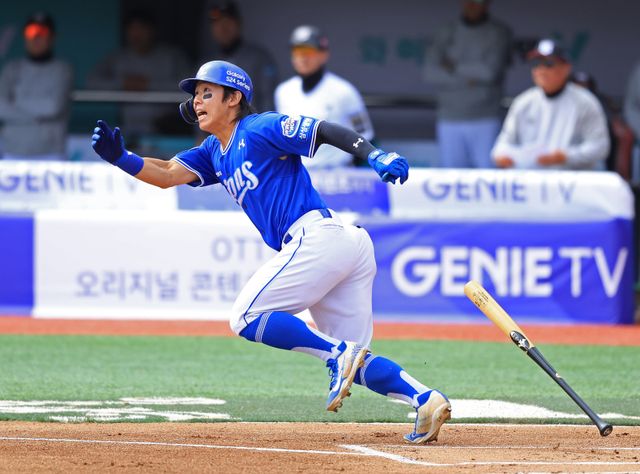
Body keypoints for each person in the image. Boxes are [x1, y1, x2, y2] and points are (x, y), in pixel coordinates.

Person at [91, 60, 451, 444]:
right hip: (339, 245)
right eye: (195, 95)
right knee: (356, 361)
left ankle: (337, 354)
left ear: (234, 98)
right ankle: (425, 399)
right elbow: (165, 173)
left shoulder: (259, 127)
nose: (197, 101)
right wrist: (121, 158)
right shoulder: (213, 150)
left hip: (318, 237)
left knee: (247, 316)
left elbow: (323, 129)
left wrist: (374, 154)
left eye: (207, 93)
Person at [492, 39, 610, 169]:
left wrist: (566, 156)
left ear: (566, 68)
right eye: (536, 64)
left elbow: (600, 147)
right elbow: (502, 146)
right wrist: (502, 156)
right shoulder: (523, 102)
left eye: (548, 64)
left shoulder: (585, 102)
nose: (541, 70)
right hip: (532, 176)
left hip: (572, 177)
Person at [424, 0, 512, 168]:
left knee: (488, 175)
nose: (472, 5)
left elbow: (489, 72)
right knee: (451, 176)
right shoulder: (446, 31)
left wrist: (453, 67)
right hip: (449, 116)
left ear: (487, 4)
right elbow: (431, 73)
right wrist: (471, 77)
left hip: (485, 117)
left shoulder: (498, 32)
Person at [275, 25, 375, 169]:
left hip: (338, 173)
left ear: (323, 55)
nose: (302, 57)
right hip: (298, 173)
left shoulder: (344, 91)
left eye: (308, 51)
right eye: (297, 51)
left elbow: (365, 136)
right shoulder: (283, 91)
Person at [87, 10, 191, 137]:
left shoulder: (172, 57)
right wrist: (123, 83)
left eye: (142, 28)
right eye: (132, 29)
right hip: (128, 130)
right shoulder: (118, 58)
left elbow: (188, 87)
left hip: (167, 131)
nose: (137, 34)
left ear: (153, 31)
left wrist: (148, 84)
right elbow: (92, 82)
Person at [0, 12, 73, 160]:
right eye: (31, 32)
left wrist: (15, 102)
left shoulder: (62, 70)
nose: (36, 38)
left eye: (42, 32)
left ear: (52, 37)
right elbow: (1, 108)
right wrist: (38, 117)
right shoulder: (11, 68)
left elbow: (52, 107)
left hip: (51, 154)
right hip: (12, 152)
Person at [204, 1, 278, 113]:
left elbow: (268, 102)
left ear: (239, 23)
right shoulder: (206, 64)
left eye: (228, 21)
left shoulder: (259, 58)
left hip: (252, 123)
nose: (223, 27)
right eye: (218, 23)